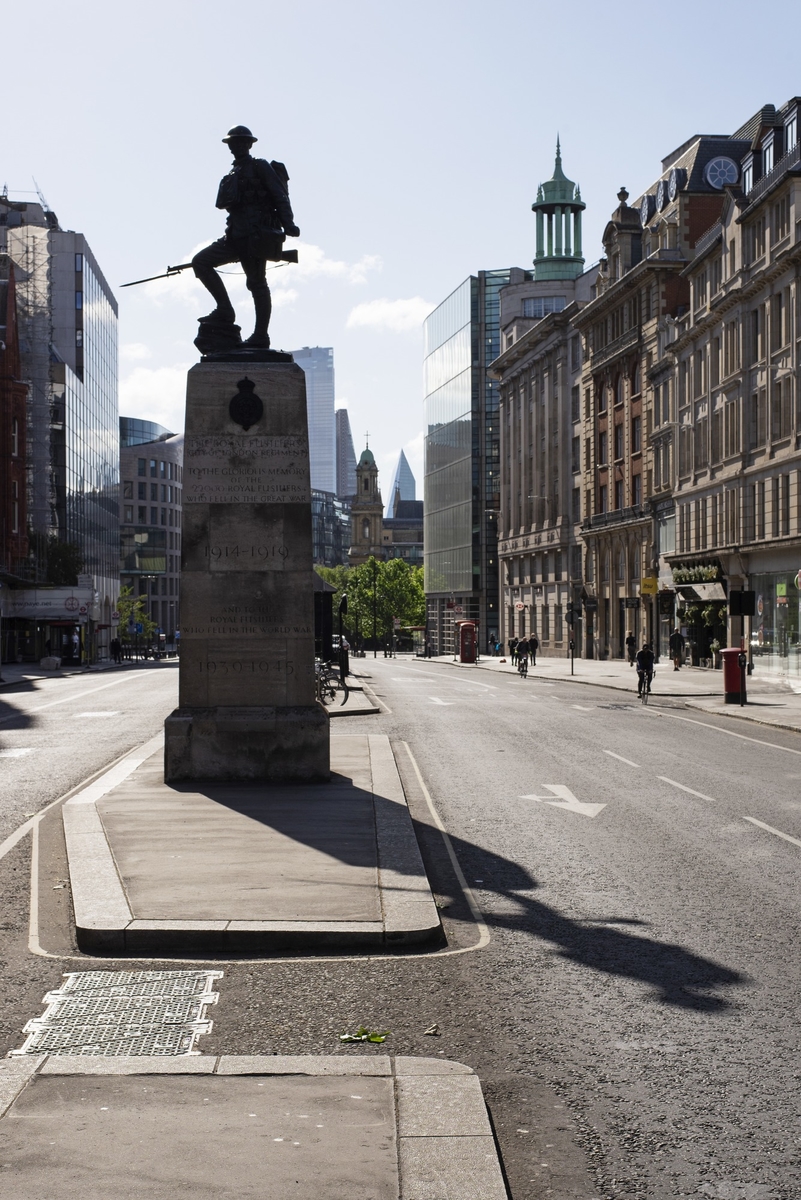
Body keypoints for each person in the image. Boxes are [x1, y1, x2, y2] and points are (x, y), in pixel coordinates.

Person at [192, 126, 300, 349]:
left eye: (242, 142)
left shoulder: (259, 166)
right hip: (234, 235)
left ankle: (261, 336)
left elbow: (279, 195)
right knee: (201, 261)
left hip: (255, 235)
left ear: (249, 145)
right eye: (234, 143)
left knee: (256, 283)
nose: (237, 146)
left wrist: (288, 223)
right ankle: (225, 309)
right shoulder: (233, 173)